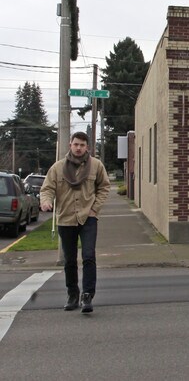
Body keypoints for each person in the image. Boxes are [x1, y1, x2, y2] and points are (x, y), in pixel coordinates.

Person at [40, 132, 110, 314]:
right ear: (70, 145)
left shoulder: (96, 166)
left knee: (88, 256)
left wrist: (95, 209)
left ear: (87, 147)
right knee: (70, 260)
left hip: (88, 218)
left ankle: (87, 295)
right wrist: (46, 201)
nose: (79, 148)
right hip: (66, 219)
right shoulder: (58, 168)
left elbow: (104, 187)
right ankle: (72, 294)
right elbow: (47, 188)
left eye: (82, 145)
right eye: (76, 144)